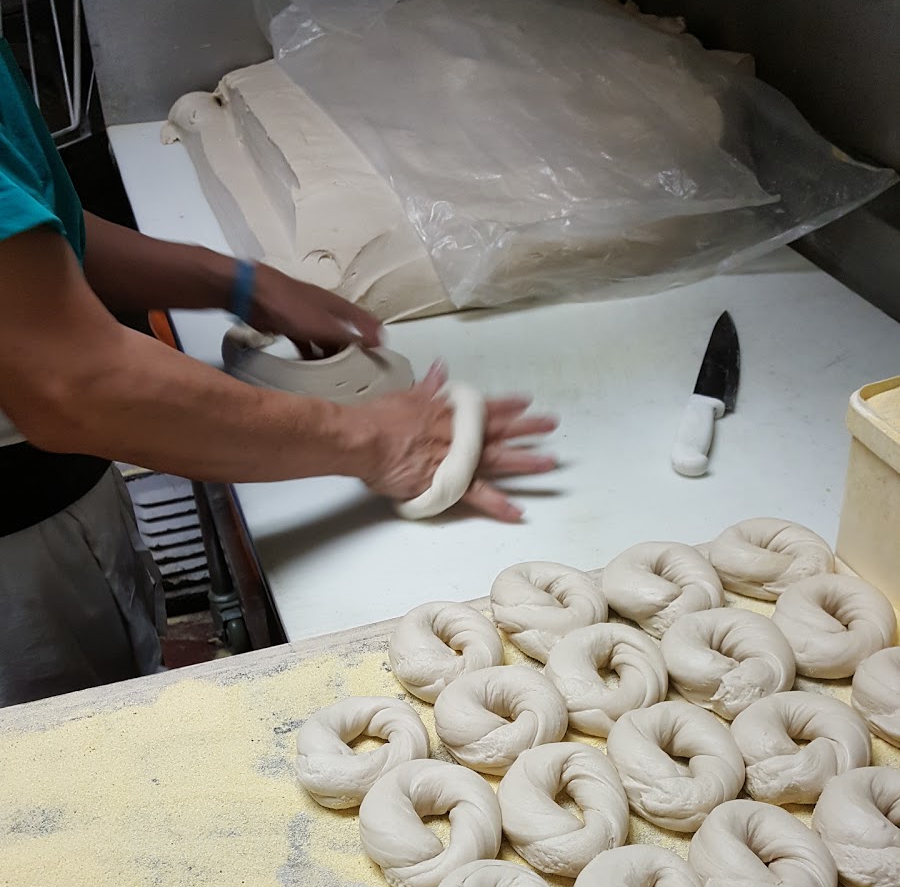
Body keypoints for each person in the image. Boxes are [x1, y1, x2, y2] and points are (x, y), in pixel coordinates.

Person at [0, 37, 557, 706]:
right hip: (15, 546)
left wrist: (238, 283)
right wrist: (375, 442)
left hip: (52, 500)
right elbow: (76, 385)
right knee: (68, 750)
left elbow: (36, 230)